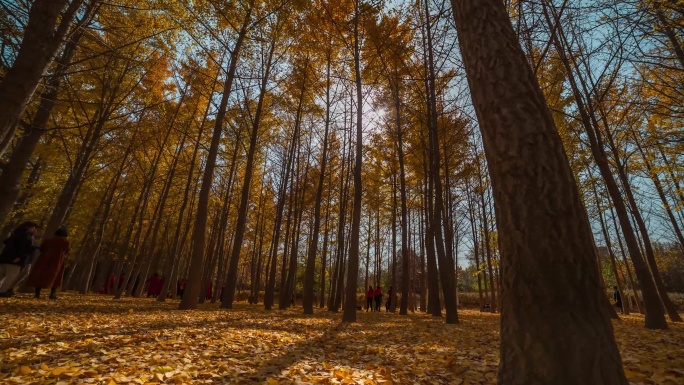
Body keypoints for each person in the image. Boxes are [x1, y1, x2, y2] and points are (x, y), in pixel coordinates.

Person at [26, 228, 70, 299]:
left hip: (44, 259)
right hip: (57, 261)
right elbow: (67, 251)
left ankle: (37, 294)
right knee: (56, 276)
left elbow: (42, 248)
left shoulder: (48, 240)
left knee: (40, 275)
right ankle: (52, 294)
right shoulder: (65, 242)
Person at [0, 222, 39, 297]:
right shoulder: (26, 236)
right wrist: (19, 256)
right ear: (29, 227)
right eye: (34, 228)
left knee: (2, 274)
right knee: (11, 276)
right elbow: (24, 248)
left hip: (4, 258)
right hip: (15, 260)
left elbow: (6, 242)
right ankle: (2, 291)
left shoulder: (15, 234)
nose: (35, 230)